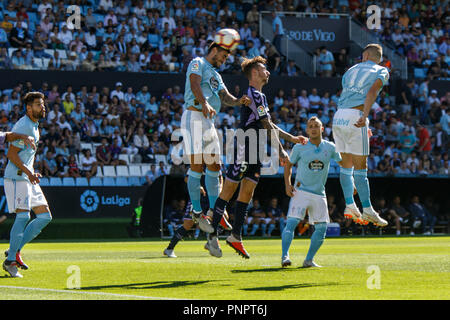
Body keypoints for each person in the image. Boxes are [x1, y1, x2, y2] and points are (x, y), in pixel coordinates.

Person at [205, 56, 308, 259]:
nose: (267, 72)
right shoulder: (254, 95)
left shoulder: (259, 96)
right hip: (245, 147)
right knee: (229, 190)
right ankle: (212, 237)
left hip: (257, 150)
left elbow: (269, 124)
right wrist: (281, 150)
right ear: (254, 73)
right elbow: (268, 126)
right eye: (263, 69)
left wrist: (292, 139)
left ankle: (235, 236)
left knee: (247, 192)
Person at [180, 39, 250, 235]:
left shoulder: (216, 75)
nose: (225, 60)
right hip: (194, 115)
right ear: (215, 49)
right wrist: (203, 102)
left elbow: (225, 97)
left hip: (208, 121)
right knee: (196, 166)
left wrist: (239, 101)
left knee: (215, 166)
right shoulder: (198, 63)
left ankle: (213, 211)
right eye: (224, 56)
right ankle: (196, 211)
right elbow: (194, 83)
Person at [332, 44, 389, 227]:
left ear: (365, 55)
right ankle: (368, 209)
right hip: (356, 116)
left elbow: (347, 94)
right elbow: (371, 92)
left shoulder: (350, 70)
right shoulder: (381, 70)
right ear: (378, 58)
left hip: (339, 116)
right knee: (360, 168)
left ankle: (350, 205)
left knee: (345, 166)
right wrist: (364, 116)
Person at [281, 116, 344, 268]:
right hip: (300, 191)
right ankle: (285, 256)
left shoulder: (330, 147)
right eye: (311, 126)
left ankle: (308, 260)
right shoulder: (299, 147)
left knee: (322, 228)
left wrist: (352, 181)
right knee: (292, 223)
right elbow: (288, 166)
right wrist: (288, 185)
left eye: (317, 126)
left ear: (322, 129)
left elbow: (344, 165)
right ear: (307, 130)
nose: (314, 128)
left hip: (319, 193)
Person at [3, 92, 52, 278]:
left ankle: (14, 250)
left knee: (45, 216)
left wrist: (31, 171)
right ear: (29, 108)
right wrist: (29, 172)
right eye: (39, 105)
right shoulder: (24, 125)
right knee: (23, 217)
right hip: (17, 177)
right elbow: (11, 155)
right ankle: (10, 262)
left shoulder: (34, 126)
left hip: (27, 176)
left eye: (43, 104)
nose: (43, 107)